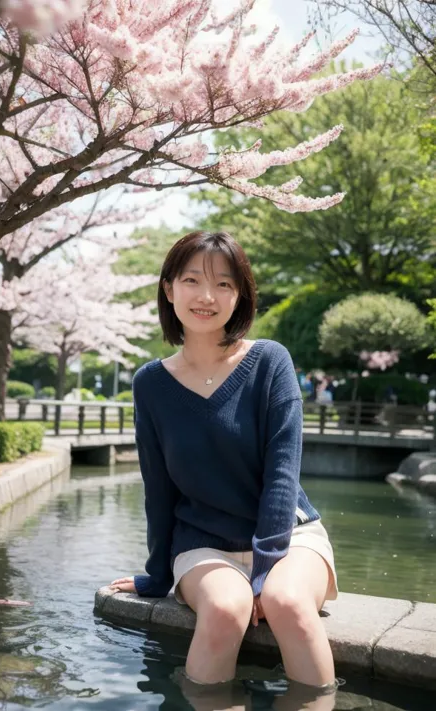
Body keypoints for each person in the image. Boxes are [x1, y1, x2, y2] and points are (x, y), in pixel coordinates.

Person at [109, 231, 338, 697]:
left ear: (241, 296)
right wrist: (156, 575)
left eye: (224, 284)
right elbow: (158, 487)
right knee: (225, 610)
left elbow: (282, 475)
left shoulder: (270, 361)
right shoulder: (150, 384)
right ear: (169, 289)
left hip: (290, 537)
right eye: (192, 280)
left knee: (287, 603)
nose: (207, 296)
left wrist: (265, 569)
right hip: (204, 543)